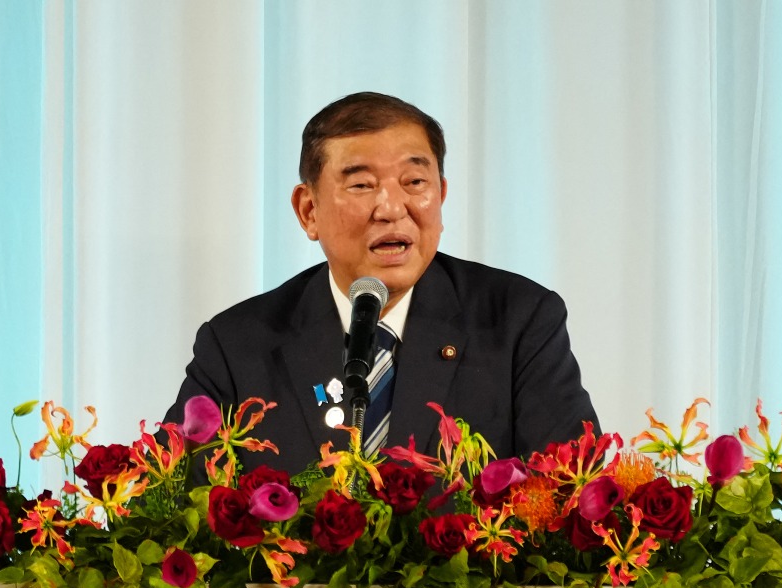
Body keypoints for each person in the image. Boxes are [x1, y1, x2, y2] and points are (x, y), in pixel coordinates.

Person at [165, 92, 598, 475]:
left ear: (441, 195)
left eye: (414, 182)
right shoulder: (237, 346)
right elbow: (171, 506)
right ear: (309, 210)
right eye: (361, 184)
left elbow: (574, 496)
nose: (392, 208)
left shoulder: (518, 322)